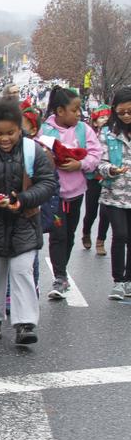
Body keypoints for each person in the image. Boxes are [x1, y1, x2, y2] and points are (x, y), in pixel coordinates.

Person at [0, 99, 57, 344]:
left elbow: (48, 183)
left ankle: (25, 324)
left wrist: (24, 199)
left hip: (24, 224)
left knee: (22, 272)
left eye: (10, 133)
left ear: (20, 129)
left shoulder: (32, 151)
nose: (4, 138)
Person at [39, 86, 103, 299]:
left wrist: (81, 164)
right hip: (54, 195)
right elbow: (37, 155)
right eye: (74, 110)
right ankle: (59, 277)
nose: (78, 114)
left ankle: (62, 271)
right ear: (59, 111)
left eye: (79, 110)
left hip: (77, 193)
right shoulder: (46, 130)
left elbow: (96, 154)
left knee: (69, 235)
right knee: (58, 235)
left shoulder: (84, 130)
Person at [98, 88, 131, 300]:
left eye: (129, 111)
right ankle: (118, 281)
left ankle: (129, 280)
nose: (126, 116)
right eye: (121, 112)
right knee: (120, 235)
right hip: (114, 195)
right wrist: (110, 169)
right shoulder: (107, 133)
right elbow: (99, 163)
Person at [84, 105, 112, 255]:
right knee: (91, 211)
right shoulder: (90, 136)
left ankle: (100, 241)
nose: (105, 119)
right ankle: (86, 232)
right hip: (94, 178)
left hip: (108, 177)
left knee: (105, 212)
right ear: (95, 121)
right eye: (101, 117)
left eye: (107, 116)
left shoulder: (113, 135)